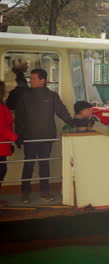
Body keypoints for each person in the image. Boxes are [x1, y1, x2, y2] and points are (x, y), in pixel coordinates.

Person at [15, 69, 74, 204]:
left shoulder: (52, 96)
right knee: (28, 165)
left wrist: (73, 123)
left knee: (44, 164)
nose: (31, 80)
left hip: (46, 137)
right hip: (29, 137)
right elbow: (19, 117)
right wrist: (18, 134)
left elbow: (62, 112)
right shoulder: (25, 95)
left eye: (34, 78)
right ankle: (25, 193)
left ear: (43, 80)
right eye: (31, 78)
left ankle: (45, 192)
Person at [0, 81, 18, 206]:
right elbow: (1, 128)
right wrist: (15, 138)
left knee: (2, 171)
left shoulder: (2, 106)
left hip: (3, 144)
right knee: (1, 171)